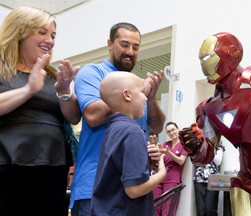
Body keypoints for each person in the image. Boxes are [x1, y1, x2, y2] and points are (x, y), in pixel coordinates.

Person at [179, 32, 251, 215]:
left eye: (207, 57)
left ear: (233, 53)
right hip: (248, 182)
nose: (204, 64)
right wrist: (196, 146)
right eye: (201, 59)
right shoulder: (210, 108)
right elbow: (207, 155)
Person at [70, 22, 165, 215]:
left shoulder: (135, 89)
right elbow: (92, 115)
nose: (130, 51)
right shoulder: (93, 73)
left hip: (131, 187)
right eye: (125, 44)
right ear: (110, 44)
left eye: (136, 47)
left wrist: (151, 96)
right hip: (96, 188)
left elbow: (156, 126)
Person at [0, 6, 81, 216]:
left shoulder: (54, 76)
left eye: (53, 35)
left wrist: (64, 92)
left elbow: (73, 117)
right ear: (20, 32)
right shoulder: (2, 70)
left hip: (53, 164)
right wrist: (29, 90)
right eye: (42, 32)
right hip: (8, 164)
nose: (50, 40)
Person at [91, 71, 167, 216]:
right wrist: (162, 173)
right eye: (142, 92)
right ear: (127, 95)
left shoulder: (114, 128)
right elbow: (134, 190)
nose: (145, 97)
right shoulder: (132, 131)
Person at [154, 121, 188, 216]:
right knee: (155, 207)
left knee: (167, 209)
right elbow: (160, 159)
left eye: (173, 130)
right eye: (169, 131)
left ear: (178, 129)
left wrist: (168, 153)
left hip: (172, 180)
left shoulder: (183, 145)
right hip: (159, 179)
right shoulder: (165, 144)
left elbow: (181, 161)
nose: (171, 133)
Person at [193, 144, 225, 216]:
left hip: (213, 179)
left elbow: (218, 162)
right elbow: (195, 161)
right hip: (199, 178)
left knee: (210, 209)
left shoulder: (219, 145)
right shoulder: (198, 144)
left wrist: (208, 149)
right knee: (200, 210)